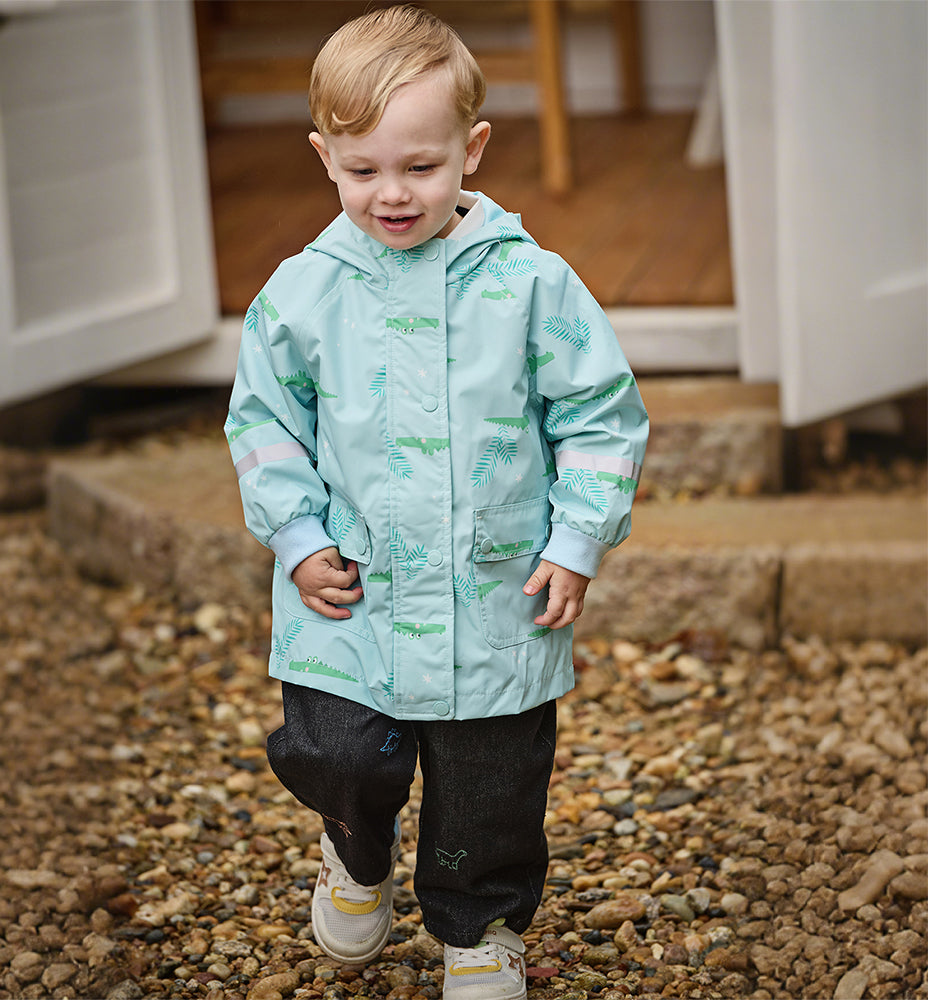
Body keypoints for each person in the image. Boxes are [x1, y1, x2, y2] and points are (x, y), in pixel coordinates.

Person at [225, 6, 648, 997]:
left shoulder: (531, 285)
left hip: (491, 596)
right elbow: (264, 424)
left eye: (421, 166)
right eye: (363, 169)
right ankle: (354, 845)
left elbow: (599, 414)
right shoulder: (302, 294)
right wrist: (296, 534)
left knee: (490, 784)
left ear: (473, 149)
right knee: (337, 749)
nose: (393, 193)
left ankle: (480, 924)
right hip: (350, 593)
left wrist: (577, 538)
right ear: (324, 159)